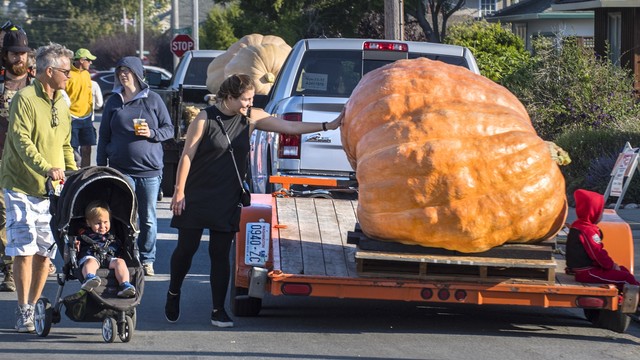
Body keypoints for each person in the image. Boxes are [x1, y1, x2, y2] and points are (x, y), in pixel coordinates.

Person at [166, 74, 342, 327]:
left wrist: (328, 125)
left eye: (251, 98)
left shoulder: (251, 117)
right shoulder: (205, 118)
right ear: (229, 97)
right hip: (197, 193)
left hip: (227, 196)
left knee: (220, 253)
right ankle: (173, 293)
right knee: (186, 249)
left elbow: (289, 127)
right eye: (246, 99)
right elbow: (187, 156)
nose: (250, 103)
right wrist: (179, 191)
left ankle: (218, 310)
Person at [0, 42, 77, 332]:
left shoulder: (62, 101)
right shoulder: (24, 98)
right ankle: (22, 310)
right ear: (49, 71)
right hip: (20, 185)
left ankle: (33, 304)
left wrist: (73, 173)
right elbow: (21, 141)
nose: (69, 76)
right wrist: (46, 167)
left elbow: (66, 144)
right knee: (24, 248)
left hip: (51, 189)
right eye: (66, 71)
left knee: (45, 252)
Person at [97, 56, 173, 277]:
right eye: (120, 71)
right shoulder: (114, 101)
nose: (123, 75)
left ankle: (147, 259)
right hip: (121, 168)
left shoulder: (154, 100)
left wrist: (152, 133)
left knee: (148, 218)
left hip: (149, 171)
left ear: (137, 74)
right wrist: (102, 167)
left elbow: (169, 129)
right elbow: (104, 137)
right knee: (123, 215)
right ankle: (124, 256)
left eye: (127, 71)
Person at [0, 28, 35, 292]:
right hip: (2, 162)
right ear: (6, 55)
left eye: (23, 54)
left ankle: (24, 265)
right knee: (3, 217)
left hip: (30, 165)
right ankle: (9, 268)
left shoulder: (37, 86)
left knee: (27, 218)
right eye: (14, 53)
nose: (19, 59)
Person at [566, 189, 640, 292]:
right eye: (600, 212)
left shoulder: (579, 225)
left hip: (586, 270)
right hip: (587, 273)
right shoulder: (587, 230)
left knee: (624, 271)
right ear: (593, 212)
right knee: (627, 278)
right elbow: (598, 253)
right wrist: (611, 266)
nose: (601, 215)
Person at [75, 200, 135, 298]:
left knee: (120, 262)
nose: (102, 226)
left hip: (109, 256)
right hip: (91, 255)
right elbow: (76, 242)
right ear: (88, 223)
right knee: (90, 262)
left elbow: (119, 245)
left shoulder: (112, 235)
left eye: (106, 222)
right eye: (98, 223)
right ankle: (89, 277)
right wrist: (76, 244)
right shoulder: (84, 234)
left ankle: (125, 284)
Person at [66, 48, 96, 168]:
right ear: (81, 60)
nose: (91, 63)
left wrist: (91, 113)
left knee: (87, 148)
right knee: (72, 151)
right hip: (71, 118)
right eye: (89, 60)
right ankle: (73, 175)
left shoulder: (87, 74)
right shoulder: (68, 75)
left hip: (87, 118)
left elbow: (89, 95)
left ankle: (85, 174)